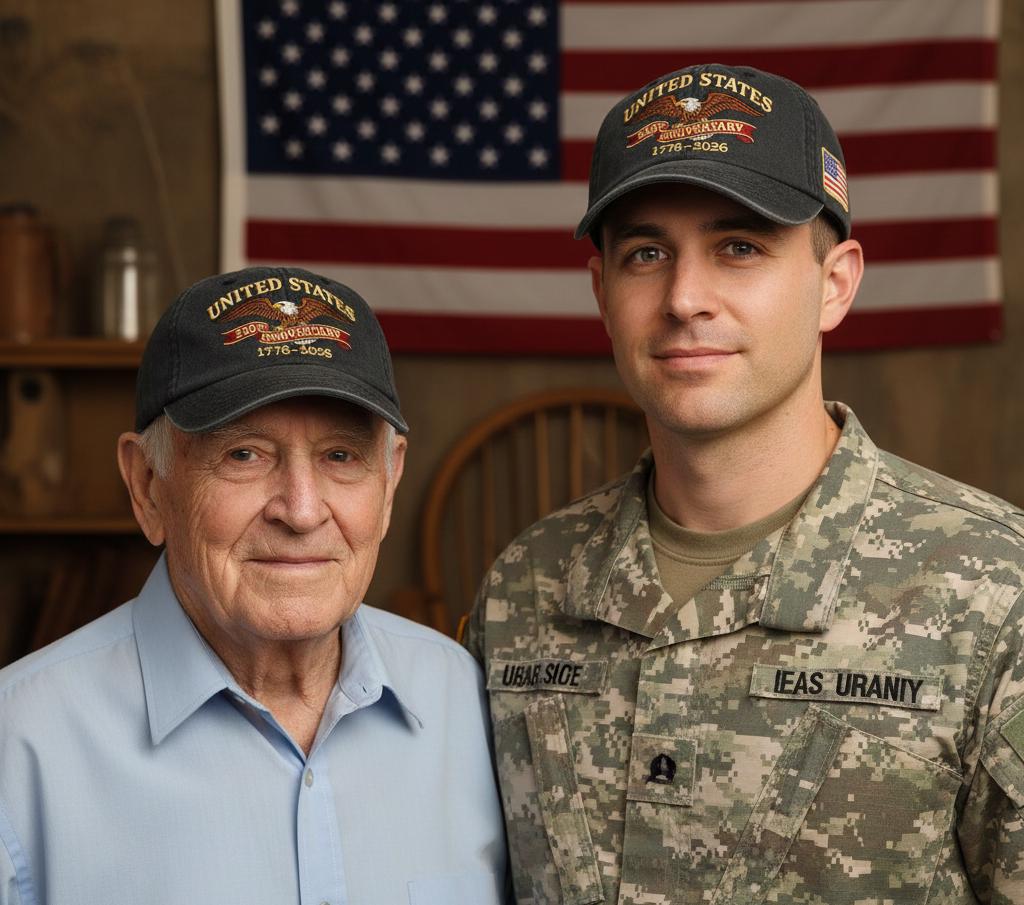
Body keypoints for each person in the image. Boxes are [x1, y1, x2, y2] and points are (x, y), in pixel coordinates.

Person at [464, 63, 1024, 904]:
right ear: (603, 292)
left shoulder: (996, 590)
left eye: (740, 247)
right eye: (647, 253)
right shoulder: (526, 588)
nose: (685, 298)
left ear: (834, 283)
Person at [0, 266, 507, 904]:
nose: (301, 511)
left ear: (389, 484)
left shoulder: (471, 705)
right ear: (148, 487)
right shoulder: (18, 746)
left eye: (341, 456)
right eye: (244, 454)